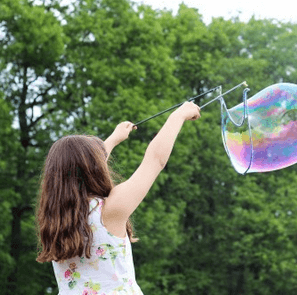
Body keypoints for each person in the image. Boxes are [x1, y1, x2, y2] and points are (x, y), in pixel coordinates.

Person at [35, 101, 201, 294]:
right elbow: (155, 159)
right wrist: (178, 116)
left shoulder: (56, 220)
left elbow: (79, 169)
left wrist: (113, 139)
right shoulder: (109, 210)